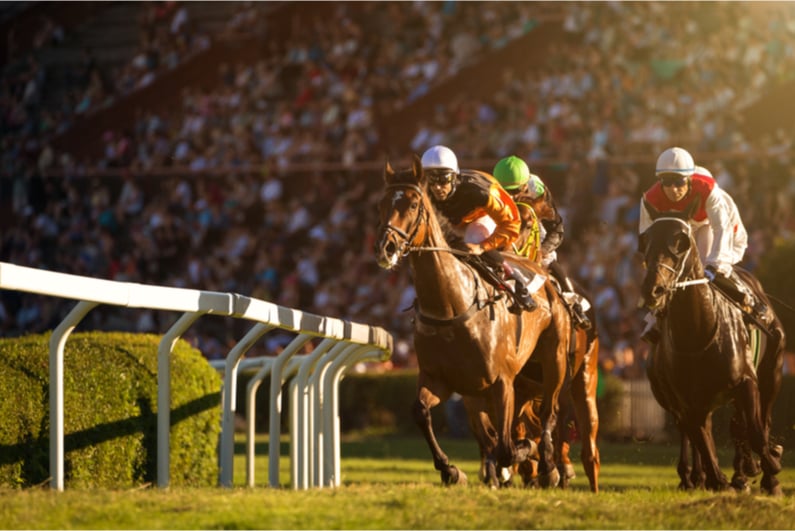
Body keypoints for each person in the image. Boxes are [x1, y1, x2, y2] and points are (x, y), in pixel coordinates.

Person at [638, 146, 771, 343]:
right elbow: (646, 237)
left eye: (678, 182)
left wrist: (714, 265)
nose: (673, 189)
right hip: (682, 229)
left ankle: (747, 300)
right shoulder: (650, 199)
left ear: (689, 179)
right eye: (666, 182)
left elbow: (721, 228)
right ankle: (655, 317)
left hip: (714, 226)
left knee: (705, 264)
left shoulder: (708, 190)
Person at [420, 145, 536, 312]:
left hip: (483, 216)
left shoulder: (480, 192)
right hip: (453, 222)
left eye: (443, 179)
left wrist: (482, 247)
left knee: (471, 241)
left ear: (454, 176)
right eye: (431, 180)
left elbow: (512, 223)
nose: (437, 187)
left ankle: (517, 281)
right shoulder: (425, 191)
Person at [492, 155, 591, 330]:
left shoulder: (537, 189)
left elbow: (557, 228)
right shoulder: (490, 189)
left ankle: (573, 304)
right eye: (506, 191)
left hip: (532, 227)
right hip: (503, 230)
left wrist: (542, 251)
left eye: (515, 191)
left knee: (549, 262)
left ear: (525, 185)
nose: (511, 197)